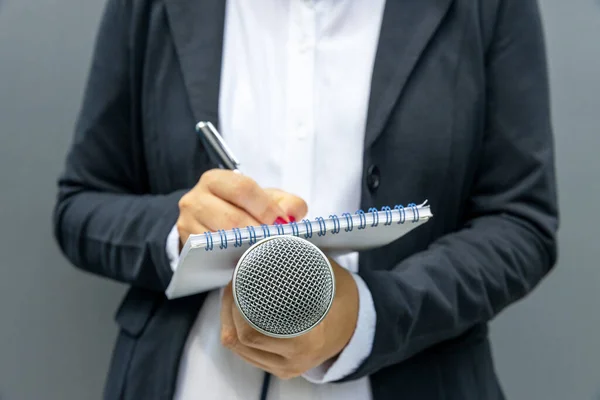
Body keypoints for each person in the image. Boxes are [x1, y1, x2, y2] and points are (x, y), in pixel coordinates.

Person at [52, 0, 559, 399]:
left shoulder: (488, 6)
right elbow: (81, 205)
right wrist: (178, 231)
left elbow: (519, 220)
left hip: (409, 378)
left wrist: (370, 315)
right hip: (187, 379)